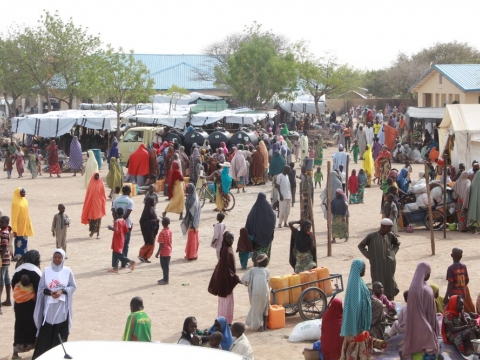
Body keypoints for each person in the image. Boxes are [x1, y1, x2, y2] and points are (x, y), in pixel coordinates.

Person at [32, 249, 76, 359]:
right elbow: (41, 288)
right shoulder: (47, 272)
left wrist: (62, 291)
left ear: (63, 258)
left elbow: (72, 286)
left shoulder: (67, 271)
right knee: (46, 335)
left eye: (59, 257)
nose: (57, 259)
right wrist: (50, 293)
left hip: (62, 309)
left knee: (59, 334)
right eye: (55, 257)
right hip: (49, 310)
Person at [402, 262, 440, 359]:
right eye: (428, 273)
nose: (429, 275)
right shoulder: (415, 289)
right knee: (420, 350)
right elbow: (416, 312)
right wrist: (426, 328)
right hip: (422, 326)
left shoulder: (424, 285)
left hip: (428, 322)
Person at [358, 219, 400, 300]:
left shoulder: (390, 235)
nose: (390, 230)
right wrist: (370, 255)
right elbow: (361, 246)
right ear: (383, 227)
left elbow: (397, 244)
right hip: (377, 266)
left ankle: (389, 301)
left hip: (389, 265)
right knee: (377, 283)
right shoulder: (371, 236)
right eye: (389, 228)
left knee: (390, 283)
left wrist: (393, 253)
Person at [340, 259, 373, 360]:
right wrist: (357, 327)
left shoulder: (360, 281)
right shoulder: (355, 285)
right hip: (356, 329)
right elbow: (355, 307)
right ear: (359, 269)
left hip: (360, 328)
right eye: (364, 268)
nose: (365, 270)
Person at [11, 250, 41, 358]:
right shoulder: (36, 272)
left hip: (19, 305)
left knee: (19, 326)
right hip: (31, 306)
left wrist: (21, 294)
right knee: (34, 326)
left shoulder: (18, 270)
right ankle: (36, 351)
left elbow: (14, 285)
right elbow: (39, 290)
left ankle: (15, 352)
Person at [208, 232, 240, 325]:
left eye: (233, 238)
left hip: (225, 280)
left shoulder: (227, 249)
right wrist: (236, 278)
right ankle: (225, 322)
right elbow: (227, 270)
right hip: (225, 282)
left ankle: (223, 320)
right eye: (229, 238)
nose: (231, 240)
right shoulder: (226, 250)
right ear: (225, 239)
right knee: (226, 303)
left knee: (225, 303)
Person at [240, 254, 270, 332]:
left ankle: (260, 325)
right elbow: (268, 282)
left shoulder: (252, 270)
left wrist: (246, 284)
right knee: (265, 308)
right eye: (266, 261)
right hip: (265, 293)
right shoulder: (267, 271)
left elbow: (244, 279)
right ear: (262, 263)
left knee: (257, 309)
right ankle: (264, 325)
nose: (267, 263)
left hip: (255, 293)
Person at [245, 193, 276, 264]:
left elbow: (249, 221)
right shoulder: (269, 208)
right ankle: (265, 261)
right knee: (265, 250)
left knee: (257, 250)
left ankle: (257, 261)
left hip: (256, 237)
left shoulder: (255, 208)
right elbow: (273, 219)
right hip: (267, 236)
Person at [112, 186, 134, 268]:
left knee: (117, 245)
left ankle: (116, 264)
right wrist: (122, 221)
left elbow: (113, 212)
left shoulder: (116, 200)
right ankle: (124, 264)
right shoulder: (130, 201)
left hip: (117, 226)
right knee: (125, 245)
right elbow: (127, 214)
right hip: (126, 226)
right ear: (128, 192)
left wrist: (117, 221)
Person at [108, 208, 136, 273]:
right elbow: (126, 230)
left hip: (117, 239)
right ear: (123, 213)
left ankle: (130, 262)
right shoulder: (123, 221)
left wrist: (111, 228)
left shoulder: (117, 221)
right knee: (115, 253)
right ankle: (115, 267)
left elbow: (117, 231)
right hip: (122, 239)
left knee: (117, 254)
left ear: (117, 214)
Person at [81, 172, 106, 239]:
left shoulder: (101, 183)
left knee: (98, 219)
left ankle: (98, 233)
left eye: (98, 175)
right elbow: (88, 195)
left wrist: (103, 203)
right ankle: (92, 231)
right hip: (91, 204)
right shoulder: (91, 184)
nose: (97, 176)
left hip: (98, 204)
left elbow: (103, 195)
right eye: (96, 175)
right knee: (91, 219)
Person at [11, 188, 34, 260]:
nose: (24, 193)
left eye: (25, 192)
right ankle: (17, 256)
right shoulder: (15, 203)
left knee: (24, 240)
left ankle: (24, 255)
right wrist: (14, 229)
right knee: (19, 241)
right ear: (18, 193)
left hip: (25, 223)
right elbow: (14, 217)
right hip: (19, 225)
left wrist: (28, 224)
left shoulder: (25, 201)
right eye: (23, 192)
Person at [181, 183, 201, 260]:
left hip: (192, 221)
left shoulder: (192, 199)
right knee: (194, 238)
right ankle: (192, 254)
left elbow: (191, 212)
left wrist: (190, 222)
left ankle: (191, 255)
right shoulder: (194, 196)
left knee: (192, 238)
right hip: (195, 221)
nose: (186, 190)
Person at [138, 197, 159, 263]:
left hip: (152, 230)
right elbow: (142, 222)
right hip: (148, 231)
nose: (155, 202)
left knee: (151, 244)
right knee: (149, 243)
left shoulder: (151, 209)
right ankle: (141, 255)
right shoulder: (147, 211)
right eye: (153, 201)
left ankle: (146, 257)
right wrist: (153, 222)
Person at [155, 217, 172, 285]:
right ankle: (165, 278)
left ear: (162, 223)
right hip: (169, 250)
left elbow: (161, 244)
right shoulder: (169, 230)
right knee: (166, 266)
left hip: (164, 252)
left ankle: (166, 280)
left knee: (164, 266)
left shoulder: (162, 233)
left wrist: (158, 253)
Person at [0, 216, 12, 311]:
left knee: (1, 280)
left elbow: (4, 247)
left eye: (2, 223)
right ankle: (8, 299)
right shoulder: (6, 231)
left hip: (3, 260)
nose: (0, 224)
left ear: (7, 223)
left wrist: (0, 259)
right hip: (7, 259)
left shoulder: (4, 233)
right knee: (7, 279)